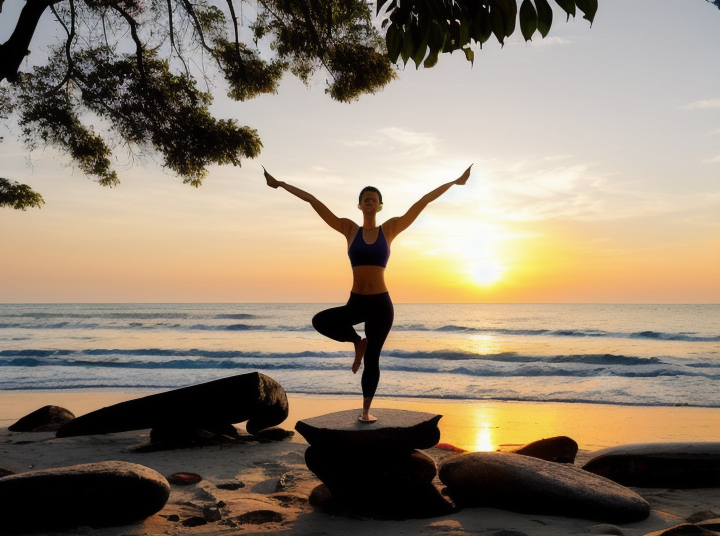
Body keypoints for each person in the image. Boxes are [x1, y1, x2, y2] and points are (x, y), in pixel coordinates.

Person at [263, 165, 472, 422]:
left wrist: (454, 182)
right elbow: (313, 201)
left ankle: (365, 411)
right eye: (365, 199)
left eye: (374, 199)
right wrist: (281, 184)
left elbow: (423, 201)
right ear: (360, 206)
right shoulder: (349, 230)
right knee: (321, 321)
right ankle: (356, 341)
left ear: (380, 206)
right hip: (356, 302)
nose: (369, 202)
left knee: (373, 360)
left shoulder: (391, 228)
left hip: (381, 305)